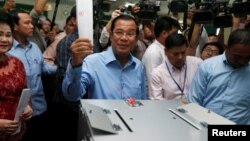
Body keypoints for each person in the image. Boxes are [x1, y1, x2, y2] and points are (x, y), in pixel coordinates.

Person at [62, 14, 147, 101]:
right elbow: (72, 96)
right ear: (110, 36)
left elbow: (143, 101)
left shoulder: (138, 66)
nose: (124, 38)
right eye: (119, 32)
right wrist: (76, 64)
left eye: (130, 33)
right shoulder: (93, 62)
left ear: (136, 39)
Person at [8, 10, 57, 140]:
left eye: (32, 22)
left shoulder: (34, 47)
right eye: (27, 23)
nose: (32, 26)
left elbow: (45, 69)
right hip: (19, 114)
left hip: (41, 108)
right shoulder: (7, 51)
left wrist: (64, 67)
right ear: (15, 26)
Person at [188, 29, 250, 124]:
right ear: (226, 48)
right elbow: (194, 101)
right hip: (206, 127)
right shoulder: (207, 66)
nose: (242, 61)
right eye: (237, 56)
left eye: (248, 57)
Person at [0, 11, 32, 141]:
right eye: (0, 34)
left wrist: (28, 106)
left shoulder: (17, 63)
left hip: (16, 133)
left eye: (8, 35)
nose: (4, 39)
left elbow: (24, 91)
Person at [150, 33, 202, 100]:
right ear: (166, 52)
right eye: (175, 54)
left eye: (183, 53)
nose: (180, 57)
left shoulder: (197, 64)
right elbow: (157, 101)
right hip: (168, 109)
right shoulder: (158, 73)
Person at [142, 16, 180, 95]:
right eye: (174, 33)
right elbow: (153, 83)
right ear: (164, 33)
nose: (176, 37)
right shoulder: (154, 52)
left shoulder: (164, 49)